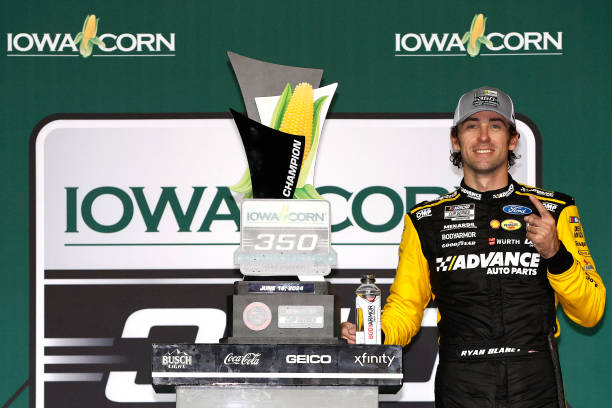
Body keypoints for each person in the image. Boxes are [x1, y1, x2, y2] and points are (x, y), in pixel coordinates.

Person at [341, 86, 605, 408]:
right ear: (455, 140)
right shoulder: (425, 220)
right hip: (462, 382)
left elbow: (591, 311)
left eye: (495, 125)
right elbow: (406, 306)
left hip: (534, 379)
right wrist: (373, 335)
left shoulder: (554, 210)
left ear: (512, 139)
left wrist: (556, 254)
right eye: (471, 126)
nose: (483, 136)